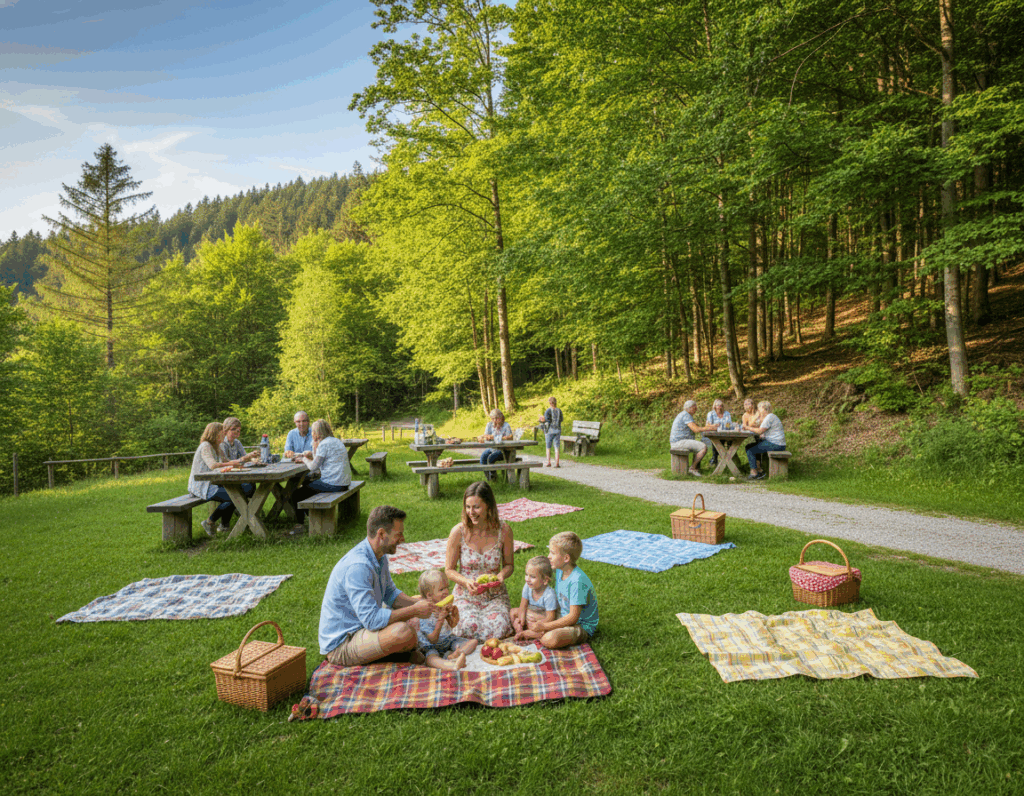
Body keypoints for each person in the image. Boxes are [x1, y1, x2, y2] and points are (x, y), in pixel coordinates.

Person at [318, 505, 435, 666]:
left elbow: (391, 595)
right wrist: (415, 611)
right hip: (342, 645)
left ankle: (396, 655)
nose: (403, 539)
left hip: (363, 630)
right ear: (381, 534)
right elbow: (372, 620)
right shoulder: (359, 566)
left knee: (416, 602)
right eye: (398, 534)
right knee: (403, 632)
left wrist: (430, 605)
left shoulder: (379, 556)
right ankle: (395, 655)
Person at [444, 480, 515, 640]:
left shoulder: (504, 530)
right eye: (468, 507)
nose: (471, 512)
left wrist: (501, 576)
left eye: (476, 507)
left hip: (494, 595)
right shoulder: (458, 532)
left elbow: (509, 565)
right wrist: (465, 582)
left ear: (489, 506)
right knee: (467, 626)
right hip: (466, 594)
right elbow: (449, 570)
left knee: (500, 626)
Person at [531, 531, 598, 649]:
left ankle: (542, 633)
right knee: (526, 615)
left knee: (550, 639)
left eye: (552, 553)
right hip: (563, 615)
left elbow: (573, 617)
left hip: (580, 626)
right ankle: (542, 631)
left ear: (566, 558)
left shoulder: (577, 582)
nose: (548, 556)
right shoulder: (560, 570)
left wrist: (546, 626)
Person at [288, 418, 351, 535]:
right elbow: (320, 459)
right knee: (307, 484)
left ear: (317, 433)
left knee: (296, 494)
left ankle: (301, 524)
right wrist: (313, 449)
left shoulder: (324, 444)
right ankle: (312, 517)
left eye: (313, 431)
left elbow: (313, 467)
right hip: (344, 482)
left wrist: (304, 458)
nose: (312, 433)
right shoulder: (335, 441)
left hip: (334, 484)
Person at [187, 422, 247, 537]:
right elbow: (213, 465)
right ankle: (210, 522)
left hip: (212, 482)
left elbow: (225, 460)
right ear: (214, 433)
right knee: (234, 497)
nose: (224, 436)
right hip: (201, 485)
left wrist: (237, 463)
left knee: (237, 493)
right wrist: (233, 463)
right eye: (222, 433)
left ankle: (224, 526)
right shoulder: (205, 446)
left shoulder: (216, 446)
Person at [415, 569, 477, 671]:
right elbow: (432, 639)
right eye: (441, 589)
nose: (446, 591)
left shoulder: (443, 605)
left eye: (447, 588)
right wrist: (440, 620)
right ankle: (451, 665)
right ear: (429, 595)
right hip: (431, 646)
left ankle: (455, 655)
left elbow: (451, 626)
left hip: (448, 640)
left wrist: (454, 616)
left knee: (473, 642)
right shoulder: (424, 612)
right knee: (431, 659)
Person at [511, 555, 559, 641]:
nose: (527, 579)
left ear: (545, 580)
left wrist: (538, 624)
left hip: (542, 618)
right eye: (526, 574)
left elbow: (550, 618)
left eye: (532, 576)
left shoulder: (549, 594)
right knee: (513, 612)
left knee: (546, 631)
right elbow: (523, 606)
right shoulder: (528, 586)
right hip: (530, 615)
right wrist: (521, 621)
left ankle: (528, 633)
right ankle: (521, 631)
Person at [669, 400, 718, 477]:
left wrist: (711, 426)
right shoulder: (686, 415)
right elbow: (696, 429)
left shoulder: (685, 415)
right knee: (703, 447)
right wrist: (710, 428)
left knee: (698, 446)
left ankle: (695, 468)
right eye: (695, 407)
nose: (696, 409)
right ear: (691, 408)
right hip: (679, 442)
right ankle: (692, 468)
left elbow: (697, 427)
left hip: (679, 441)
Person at [746, 400, 787, 480]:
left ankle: (754, 473)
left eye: (759, 408)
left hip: (776, 444)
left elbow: (759, 430)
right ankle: (759, 470)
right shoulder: (771, 416)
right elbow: (763, 429)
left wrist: (747, 427)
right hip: (778, 443)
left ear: (763, 408)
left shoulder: (769, 417)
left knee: (750, 449)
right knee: (755, 445)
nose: (758, 410)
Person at [220, 416, 257, 506]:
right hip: (224, 478)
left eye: (239, 430)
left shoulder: (237, 442)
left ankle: (248, 508)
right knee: (246, 488)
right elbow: (224, 464)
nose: (237, 431)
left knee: (252, 484)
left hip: (236, 476)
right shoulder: (222, 444)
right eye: (233, 429)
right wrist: (246, 458)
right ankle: (247, 510)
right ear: (225, 430)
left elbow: (244, 457)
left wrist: (253, 459)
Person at [477, 409, 513, 480]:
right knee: (483, 458)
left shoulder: (506, 425)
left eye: (497, 418)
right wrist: (483, 437)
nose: (494, 420)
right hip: (492, 448)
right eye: (493, 419)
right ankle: (489, 478)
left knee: (491, 458)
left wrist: (497, 437)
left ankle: (494, 477)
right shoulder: (489, 425)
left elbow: (510, 438)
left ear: (501, 418)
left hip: (503, 450)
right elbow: (485, 435)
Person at [704, 399, 733, 467]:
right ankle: (716, 458)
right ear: (714, 406)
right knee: (717, 440)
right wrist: (713, 425)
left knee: (729, 440)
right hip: (715, 433)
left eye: (721, 405)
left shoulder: (727, 413)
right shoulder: (711, 414)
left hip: (725, 432)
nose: (719, 407)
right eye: (718, 405)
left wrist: (726, 425)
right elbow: (707, 425)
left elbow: (729, 424)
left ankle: (719, 459)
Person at [538, 397, 563, 468]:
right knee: (557, 446)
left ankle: (549, 462)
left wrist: (541, 419)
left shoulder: (548, 410)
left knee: (548, 446)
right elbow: (561, 419)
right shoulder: (559, 410)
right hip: (558, 430)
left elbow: (546, 421)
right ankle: (557, 463)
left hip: (549, 431)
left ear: (550, 403)